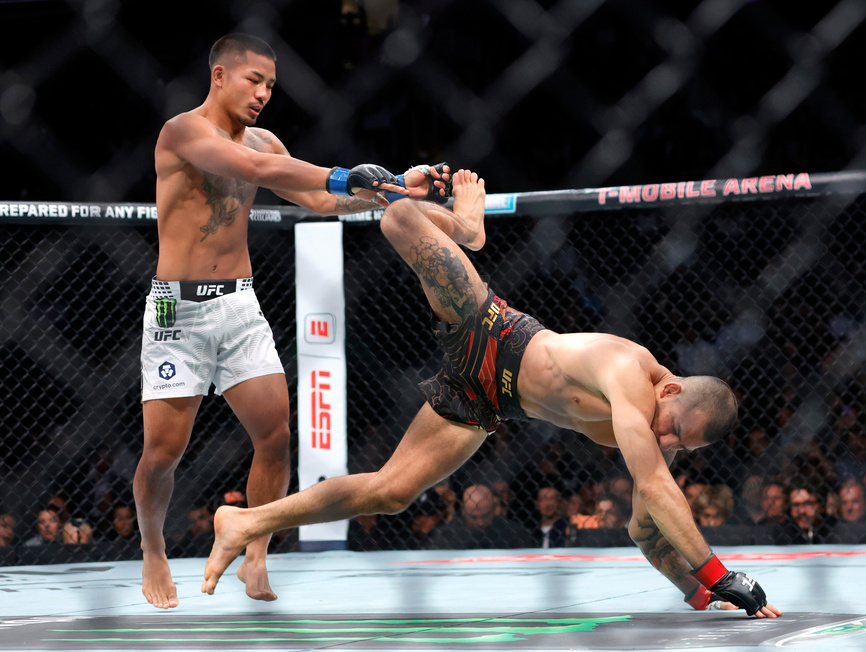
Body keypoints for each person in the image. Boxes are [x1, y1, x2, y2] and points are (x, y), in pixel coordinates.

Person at [202, 170, 780, 618]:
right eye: (674, 428)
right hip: (491, 330)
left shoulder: (659, 432)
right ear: (671, 388)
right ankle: (468, 227)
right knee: (398, 218)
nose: (667, 440)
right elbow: (653, 485)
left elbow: (646, 531)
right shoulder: (630, 372)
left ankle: (246, 522)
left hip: (489, 401)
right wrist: (724, 575)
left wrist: (704, 595)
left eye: (681, 444)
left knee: (392, 491)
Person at [136, 33, 449, 609]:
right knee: (163, 451)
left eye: (271, 86)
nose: (263, 94)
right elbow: (253, 167)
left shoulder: (267, 140)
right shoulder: (181, 132)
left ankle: (254, 552)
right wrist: (344, 174)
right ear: (220, 75)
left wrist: (395, 188)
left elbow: (325, 202)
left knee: (276, 436)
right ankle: (153, 548)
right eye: (254, 80)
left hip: (239, 304)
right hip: (177, 309)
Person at [423, 484, 533, 550]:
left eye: (485, 516)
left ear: (494, 509)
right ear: (463, 510)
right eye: (473, 517)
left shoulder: (515, 534)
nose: (480, 522)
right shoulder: (446, 536)